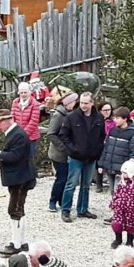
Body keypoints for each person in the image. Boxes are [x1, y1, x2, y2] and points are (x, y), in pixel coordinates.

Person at [0, 109, 36, 256]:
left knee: (14, 210)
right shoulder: (15, 133)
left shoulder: (18, 135)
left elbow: (15, 156)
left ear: (7, 120)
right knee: (20, 208)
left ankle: (16, 244)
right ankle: (22, 241)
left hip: (20, 178)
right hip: (20, 176)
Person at [59, 92, 105, 222]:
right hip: (76, 157)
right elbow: (63, 135)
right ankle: (66, 210)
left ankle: (83, 209)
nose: (83, 105)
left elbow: (102, 136)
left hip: (91, 157)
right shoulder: (72, 117)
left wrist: (98, 149)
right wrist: (73, 149)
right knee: (71, 184)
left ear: (92, 103)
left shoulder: (99, 118)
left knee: (86, 185)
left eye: (86, 103)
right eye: (82, 103)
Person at [98, 106, 134, 196]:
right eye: (114, 117)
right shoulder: (112, 131)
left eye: (117, 118)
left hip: (122, 170)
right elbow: (106, 148)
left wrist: (129, 170)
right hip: (110, 167)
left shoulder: (132, 135)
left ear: (125, 119)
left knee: (119, 193)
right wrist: (101, 164)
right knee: (112, 193)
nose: (115, 120)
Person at [47, 92, 78, 212]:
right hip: (58, 153)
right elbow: (51, 133)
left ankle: (60, 200)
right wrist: (63, 147)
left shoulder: (69, 114)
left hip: (67, 152)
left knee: (65, 178)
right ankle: (53, 201)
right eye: (73, 102)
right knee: (61, 178)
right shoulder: (58, 115)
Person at [110, 159, 134, 248]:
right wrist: (113, 203)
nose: (123, 175)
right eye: (122, 173)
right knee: (117, 224)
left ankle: (129, 241)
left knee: (130, 225)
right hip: (119, 208)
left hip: (131, 209)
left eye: (125, 173)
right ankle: (118, 239)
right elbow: (116, 194)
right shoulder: (121, 184)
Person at [11, 82, 41, 156]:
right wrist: (14, 131)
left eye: (25, 92)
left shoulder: (35, 104)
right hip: (17, 135)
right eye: (21, 92)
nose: (23, 94)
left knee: (29, 157)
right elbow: (12, 117)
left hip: (30, 136)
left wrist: (23, 134)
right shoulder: (15, 102)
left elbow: (34, 121)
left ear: (29, 92)